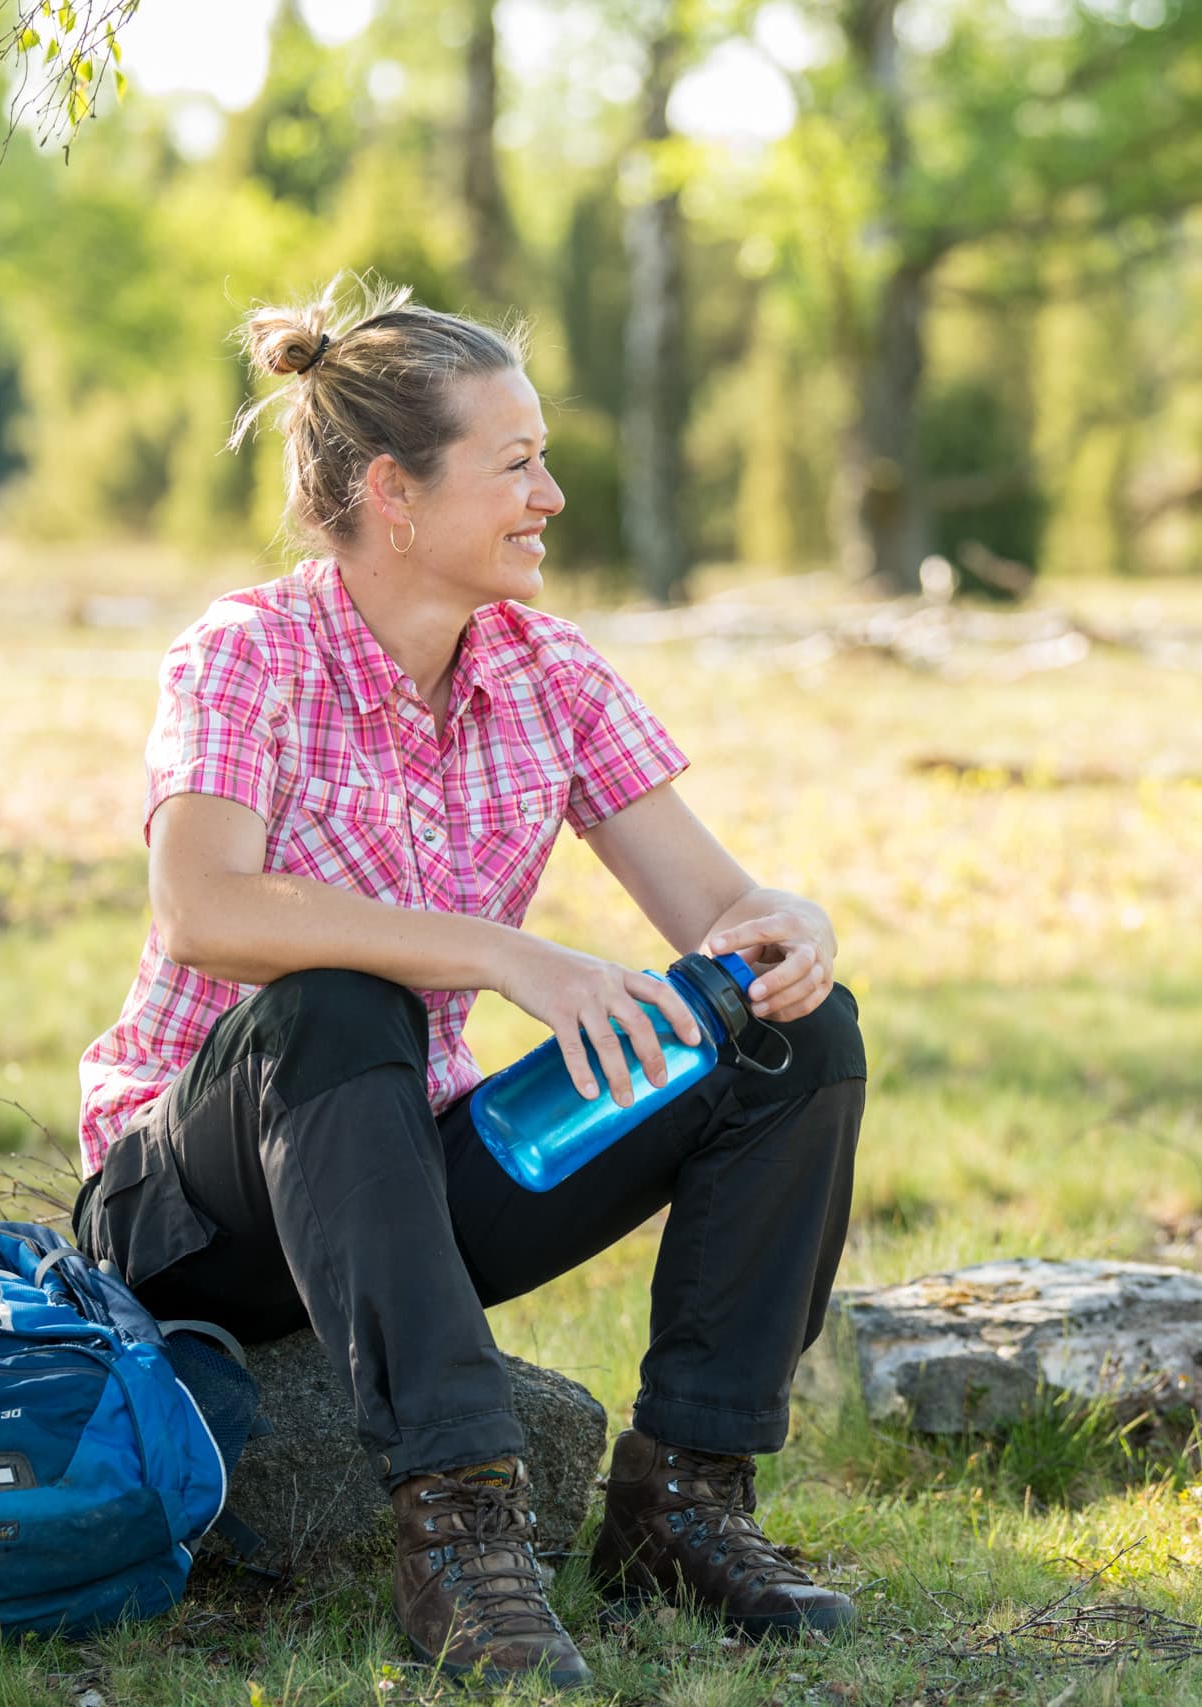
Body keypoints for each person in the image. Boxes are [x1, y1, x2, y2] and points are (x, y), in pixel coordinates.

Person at [70, 275, 866, 1689]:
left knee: (784, 1037)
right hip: (199, 1204)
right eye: (516, 464)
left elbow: (714, 907)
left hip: (406, 1181)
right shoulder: (248, 650)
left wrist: (783, 928)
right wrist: (506, 956)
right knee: (336, 996)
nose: (552, 494)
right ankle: (459, 1535)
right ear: (393, 489)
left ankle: (683, 1501)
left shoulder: (545, 669)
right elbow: (202, 908)